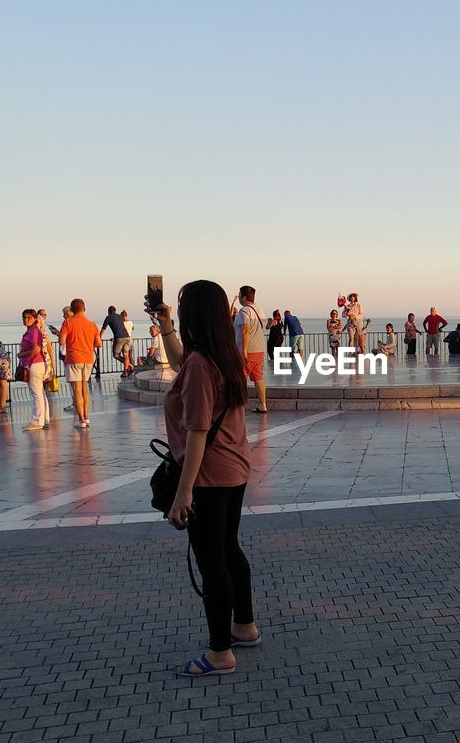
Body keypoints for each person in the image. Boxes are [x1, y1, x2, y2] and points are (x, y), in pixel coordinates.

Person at [148, 280, 260, 677]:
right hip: (235, 469)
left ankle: (219, 654)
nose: (176, 311)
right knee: (229, 549)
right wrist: (165, 329)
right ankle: (244, 626)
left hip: (209, 476)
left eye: (179, 307)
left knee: (212, 561)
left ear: (193, 313)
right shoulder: (222, 354)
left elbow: (196, 432)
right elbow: (182, 363)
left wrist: (183, 492)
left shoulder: (201, 364)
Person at [58, 298, 101, 428]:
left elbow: (61, 341)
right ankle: (87, 417)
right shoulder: (92, 324)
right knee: (84, 388)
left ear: (71, 309)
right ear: (84, 308)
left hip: (73, 358)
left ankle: (81, 419)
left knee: (76, 389)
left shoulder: (68, 323)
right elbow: (99, 343)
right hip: (88, 359)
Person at [233, 286, 269, 414]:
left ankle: (238, 406)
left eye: (239, 295)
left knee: (240, 378)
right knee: (258, 377)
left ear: (243, 297)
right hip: (259, 349)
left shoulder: (244, 312)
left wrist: (243, 351)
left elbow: (245, 331)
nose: (238, 298)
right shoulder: (260, 311)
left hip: (247, 351)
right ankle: (262, 405)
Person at [17, 309, 48, 431]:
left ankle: (37, 421)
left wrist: (22, 355)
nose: (26, 320)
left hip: (35, 364)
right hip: (35, 364)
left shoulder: (34, 331)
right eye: (24, 318)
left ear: (35, 319)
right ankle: (43, 419)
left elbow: (36, 349)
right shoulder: (31, 331)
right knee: (39, 393)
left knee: (36, 394)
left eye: (29, 317)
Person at [101, 306, 134, 379]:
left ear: (108, 311)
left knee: (116, 355)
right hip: (127, 337)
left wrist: (99, 337)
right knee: (126, 355)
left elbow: (104, 328)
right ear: (115, 311)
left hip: (119, 338)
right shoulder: (119, 316)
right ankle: (125, 372)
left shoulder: (108, 317)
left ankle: (130, 366)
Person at [36, 309, 55, 427]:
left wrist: (53, 367)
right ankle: (44, 418)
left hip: (43, 365)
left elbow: (50, 351)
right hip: (42, 365)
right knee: (41, 392)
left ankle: (43, 418)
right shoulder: (40, 334)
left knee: (40, 393)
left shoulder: (44, 335)